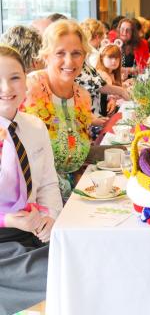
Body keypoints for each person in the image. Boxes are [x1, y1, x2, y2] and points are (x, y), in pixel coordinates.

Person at [0, 45, 62, 314]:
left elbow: (48, 184)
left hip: (33, 232)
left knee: (83, 253)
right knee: (59, 271)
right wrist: (7, 220)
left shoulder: (35, 127)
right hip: (5, 241)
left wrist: (50, 217)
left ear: (26, 80)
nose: (6, 87)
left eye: (14, 77)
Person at [21, 19, 93, 201]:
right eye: (60, 53)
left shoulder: (83, 97)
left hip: (75, 196)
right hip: (33, 200)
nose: (69, 61)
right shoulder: (29, 88)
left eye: (76, 53)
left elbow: (77, 158)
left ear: (84, 56)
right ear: (46, 56)